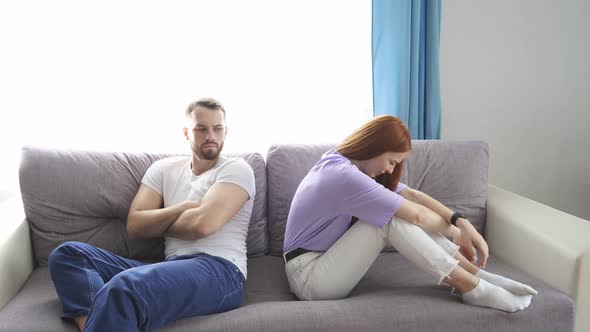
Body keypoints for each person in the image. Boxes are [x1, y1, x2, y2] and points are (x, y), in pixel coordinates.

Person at [283, 115, 537, 312]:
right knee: (388, 219)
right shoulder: (342, 176)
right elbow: (415, 215)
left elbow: (412, 195)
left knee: (392, 210)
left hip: (323, 263)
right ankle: (472, 287)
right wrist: (459, 233)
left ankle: (475, 275)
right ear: (374, 146)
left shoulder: (344, 166)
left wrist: (461, 222)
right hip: (309, 278)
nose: (389, 170)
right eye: (391, 161)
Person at [48, 98, 255, 331]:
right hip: (172, 267)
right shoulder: (164, 169)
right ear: (187, 132)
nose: (211, 136)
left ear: (226, 132)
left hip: (221, 271)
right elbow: (135, 225)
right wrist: (181, 208)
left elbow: (202, 225)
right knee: (68, 255)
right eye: (201, 129)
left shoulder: (236, 169)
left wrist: (156, 219)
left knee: (124, 287)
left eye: (218, 129)